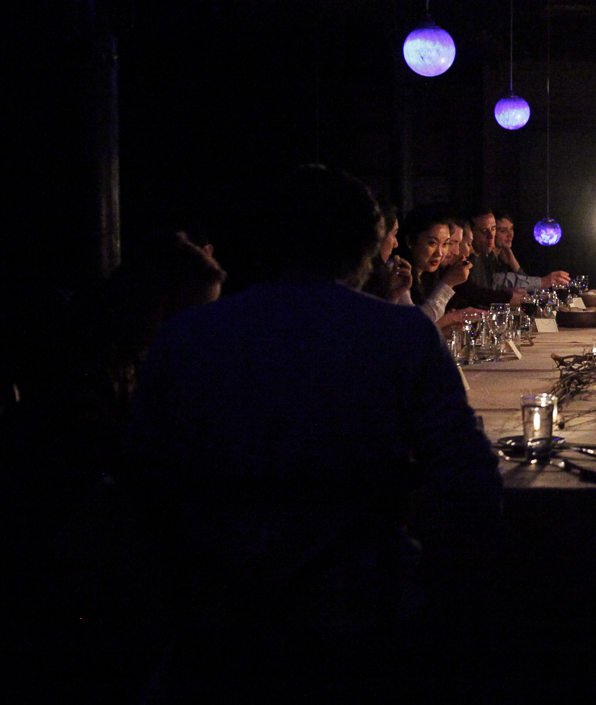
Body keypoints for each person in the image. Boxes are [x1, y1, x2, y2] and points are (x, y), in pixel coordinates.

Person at [124, 165, 501, 699]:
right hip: (367, 611)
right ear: (368, 246)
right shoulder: (400, 334)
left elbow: (144, 488)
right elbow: (470, 481)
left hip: (221, 623)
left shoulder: (187, 335)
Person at [400, 206, 483, 329]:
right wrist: (447, 284)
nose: (439, 253)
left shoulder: (429, 274)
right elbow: (415, 325)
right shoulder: (398, 272)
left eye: (445, 244)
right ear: (410, 241)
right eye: (432, 243)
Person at [469, 209, 569, 292]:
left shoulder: (501, 257)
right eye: (503, 231)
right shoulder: (480, 258)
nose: (510, 234)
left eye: (511, 229)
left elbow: (526, 286)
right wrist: (543, 282)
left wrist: (514, 263)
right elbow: (498, 282)